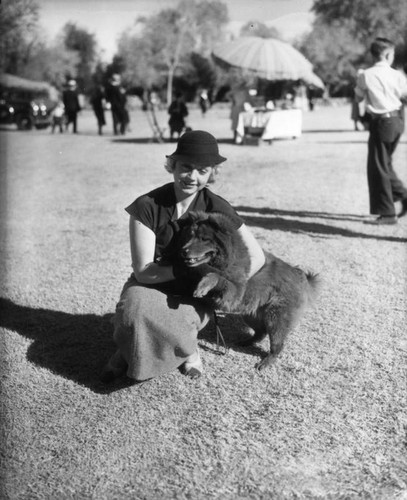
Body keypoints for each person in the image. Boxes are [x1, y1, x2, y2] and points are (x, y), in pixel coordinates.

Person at [101, 130, 265, 383]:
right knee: (132, 313)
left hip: (195, 290)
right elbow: (144, 271)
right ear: (173, 166)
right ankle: (127, 351)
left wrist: (224, 283)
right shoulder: (147, 206)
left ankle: (187, 349)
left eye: (202, 170)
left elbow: (257, 257)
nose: (192, 177)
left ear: (212, 173)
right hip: (152, 282)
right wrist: (186, 270)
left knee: (178, 322)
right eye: (186, 167)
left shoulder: (217, 208)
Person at [355, 37, 407, 224]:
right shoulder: (397, 75)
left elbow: (358, 97)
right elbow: (405, 96)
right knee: (385, 163)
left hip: (380, 122)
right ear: (386, 54)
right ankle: (402, 195)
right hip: (397, 121)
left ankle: (387, 214)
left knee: (378, 167)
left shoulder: (365, 75)